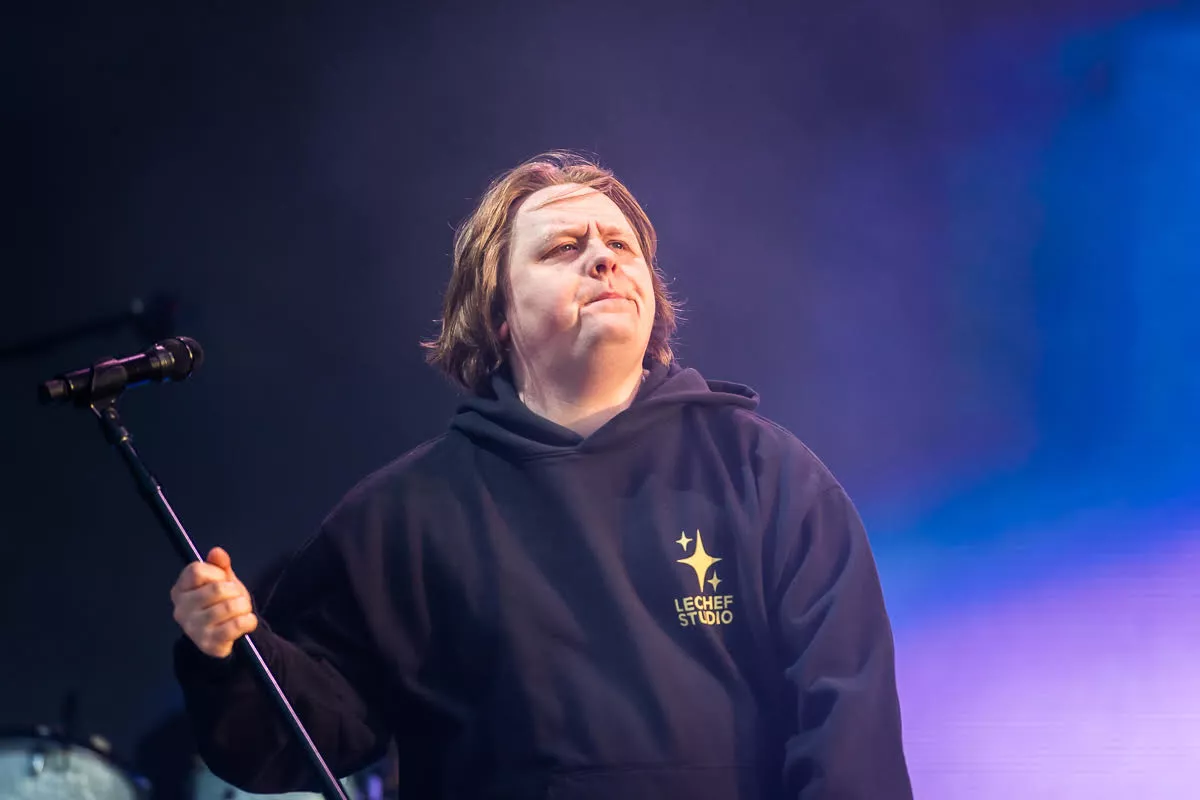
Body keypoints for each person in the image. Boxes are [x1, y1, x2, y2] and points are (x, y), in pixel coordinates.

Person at [170, 151, 913, 799]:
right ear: (497, 312)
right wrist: (228, 652)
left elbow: (849, 737)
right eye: (563, 247)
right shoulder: (402, 518)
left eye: (620, 244)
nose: (604, 259)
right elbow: (296, 738)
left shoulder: (767, 477)